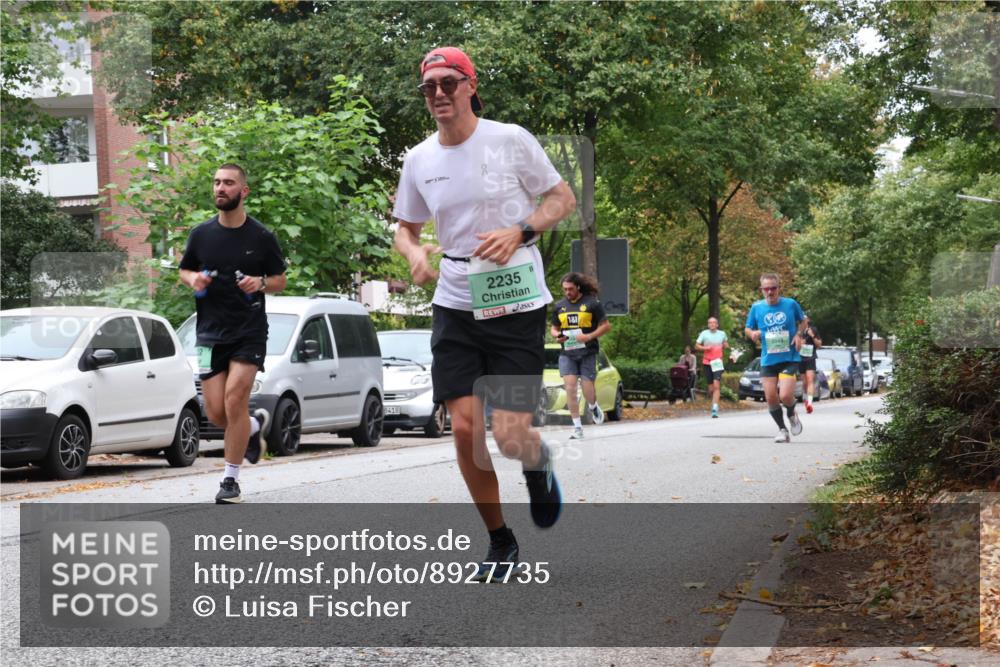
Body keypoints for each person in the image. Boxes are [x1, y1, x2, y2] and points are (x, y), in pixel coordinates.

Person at [392, 47, 577, 582]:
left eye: (449, 82)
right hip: (454, 301)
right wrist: (415, 253)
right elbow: (405, 227)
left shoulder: (510, 139)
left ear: (471, 85)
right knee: (467, 428)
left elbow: (561, 199)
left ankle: (537, 463)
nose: (439, 93)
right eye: (429, 86)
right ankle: (500, 541)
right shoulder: (419, 160)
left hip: (516, 300)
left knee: (511, 431)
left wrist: (522, 230)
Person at [179, 163, 287, 503]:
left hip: (249, 331)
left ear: (244, 191)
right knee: (215, 413)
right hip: (210, 333)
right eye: (216, 183)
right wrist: (192, 280)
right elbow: (185, 269)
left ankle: (230, 481)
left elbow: (280, 280)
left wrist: (262, 283)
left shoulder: (262, 238)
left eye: (228, 183)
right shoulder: (201, 234)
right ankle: (254, 427)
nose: (220, 188)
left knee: (234, 398)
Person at [744, 273, 809, 443]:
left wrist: (799, 336)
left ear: (779, 288)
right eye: (766, 289)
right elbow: (748, 328)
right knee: (771, 397)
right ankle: (782, 430)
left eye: (773, 288)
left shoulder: (790, 304)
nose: (770, 292)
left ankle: (792, 414)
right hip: (768, 359)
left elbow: (803, 321)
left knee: (786, 396)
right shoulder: (756, 307)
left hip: (789, 357)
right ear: (762, 290)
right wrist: (753, 333)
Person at [550, 272, 612, 439]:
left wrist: (589, 336)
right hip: (567, 352)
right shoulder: (559, 306)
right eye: (565, 289)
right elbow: (554, 328)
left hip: (587, 351)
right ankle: (577, 427)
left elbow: (606, 326)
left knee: (587, 390)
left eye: (570, 289)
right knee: (570, 388)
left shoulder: (592, 304)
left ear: (578, 287)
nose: (567, 292)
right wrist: (557, 336)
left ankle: (593, 406)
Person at [695, 317, 730, 418]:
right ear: (708, 325)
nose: (712, 324)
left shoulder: (722, 334)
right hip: (707, 362)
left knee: (716, 385)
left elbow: (725, 344)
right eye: (710, 323)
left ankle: (715, 408)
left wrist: (726, 346)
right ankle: (713, 401)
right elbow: (697, 345)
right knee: (711, 388)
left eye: (714, 322)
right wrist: (705, 347)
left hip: (718, 362)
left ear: (717, 324)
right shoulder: (704, 333)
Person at [798, 323, 823, 413]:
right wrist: (800, 343)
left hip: (810, 358)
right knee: (804, 382)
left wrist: (812, 336)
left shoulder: (813, 330)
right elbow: (794, 346)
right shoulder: (797, 331)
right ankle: (805, 399)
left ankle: (810, 403)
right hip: (800, 359)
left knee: (810, 380)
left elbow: (819, 344)